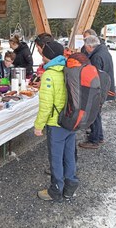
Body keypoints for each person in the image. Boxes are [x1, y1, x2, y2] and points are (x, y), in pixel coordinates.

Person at [34, 41, 79, 202]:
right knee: (69, 156)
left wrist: (38, 125)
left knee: (56, 158)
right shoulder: (68, 69)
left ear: (48, 55)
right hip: (71, 120)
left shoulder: (49, 74)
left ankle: (56, 190)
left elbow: (46, 106)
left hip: (56, 123)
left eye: (43, 52)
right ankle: (70, 186)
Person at [79, 35, 115, 149]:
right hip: (106, 88)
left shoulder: (96, 57)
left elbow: (95, 77)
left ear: (90, 46)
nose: (85, 49)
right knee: (97, 114)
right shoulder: (104, 51)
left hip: (99, 90)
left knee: (93, 114)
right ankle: (99, 137)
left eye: (85, 46)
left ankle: (94, 140)